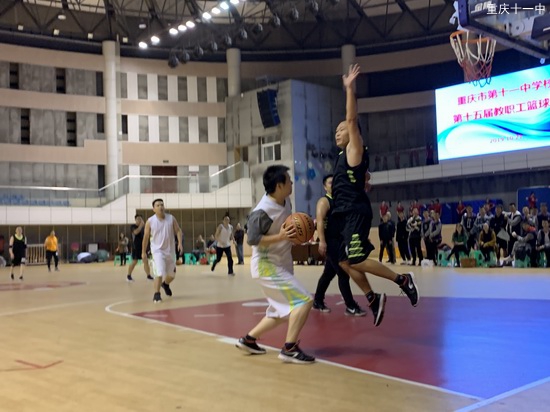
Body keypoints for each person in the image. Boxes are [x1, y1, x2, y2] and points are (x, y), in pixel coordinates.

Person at [330, 64, 419, 327]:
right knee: (343, 262)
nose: (337, 133)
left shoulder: (354, 148)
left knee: (356, 259)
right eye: (336, 131)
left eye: (341, 129)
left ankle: (402, 280)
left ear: (352, 132)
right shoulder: (342, 157)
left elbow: (352, 120)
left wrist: (349, 89)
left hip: (355, 212)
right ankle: (372, 298)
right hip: (343, 214)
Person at [235, 165, 315, 364]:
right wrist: (280, 237)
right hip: (267, 266)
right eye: (288, 180)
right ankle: (289, 349)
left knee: (280, 312)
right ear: (279, 185)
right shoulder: (262, 211)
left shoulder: (285, 201)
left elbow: (288, 229)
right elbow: (252, 239)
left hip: (281, 263)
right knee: (304, 300)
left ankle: (249, 340)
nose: (291, 182)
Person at [313, 174, 366, 316]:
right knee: (343, 273)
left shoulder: (340, 200)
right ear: (325, 186)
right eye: (330, 183)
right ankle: (350, 306)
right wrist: (322, 241)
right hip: (331, 242)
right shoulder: (324, 201)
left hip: (340, 241)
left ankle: (317, 300)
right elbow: (319, 221)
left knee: (328, 273)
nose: (334, 185)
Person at [142, 199, 183, 303]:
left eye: (162, 205)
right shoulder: (150, 221)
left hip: (170, 251)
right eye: (158, 205)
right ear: (154, 209)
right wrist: (143, 252)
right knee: (159, 273)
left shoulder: (171, 218)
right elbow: (146, 237)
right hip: (157, 251)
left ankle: (165, 284)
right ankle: (157, 294)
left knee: (172, 275)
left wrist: (180, 243)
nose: (160, 207)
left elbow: (178, 230)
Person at [126, 214, 153, 282]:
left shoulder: (144, 228)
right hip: (136, 247)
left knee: (145, 261)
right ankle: (128, 276)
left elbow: (147, 235)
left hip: (143, 247)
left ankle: (148, 275)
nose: (139, 220)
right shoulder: (133, 226)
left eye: (140, 219)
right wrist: (141, 225)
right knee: (135, 261)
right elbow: (135, 232)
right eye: (138, 219)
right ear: (135, 220)